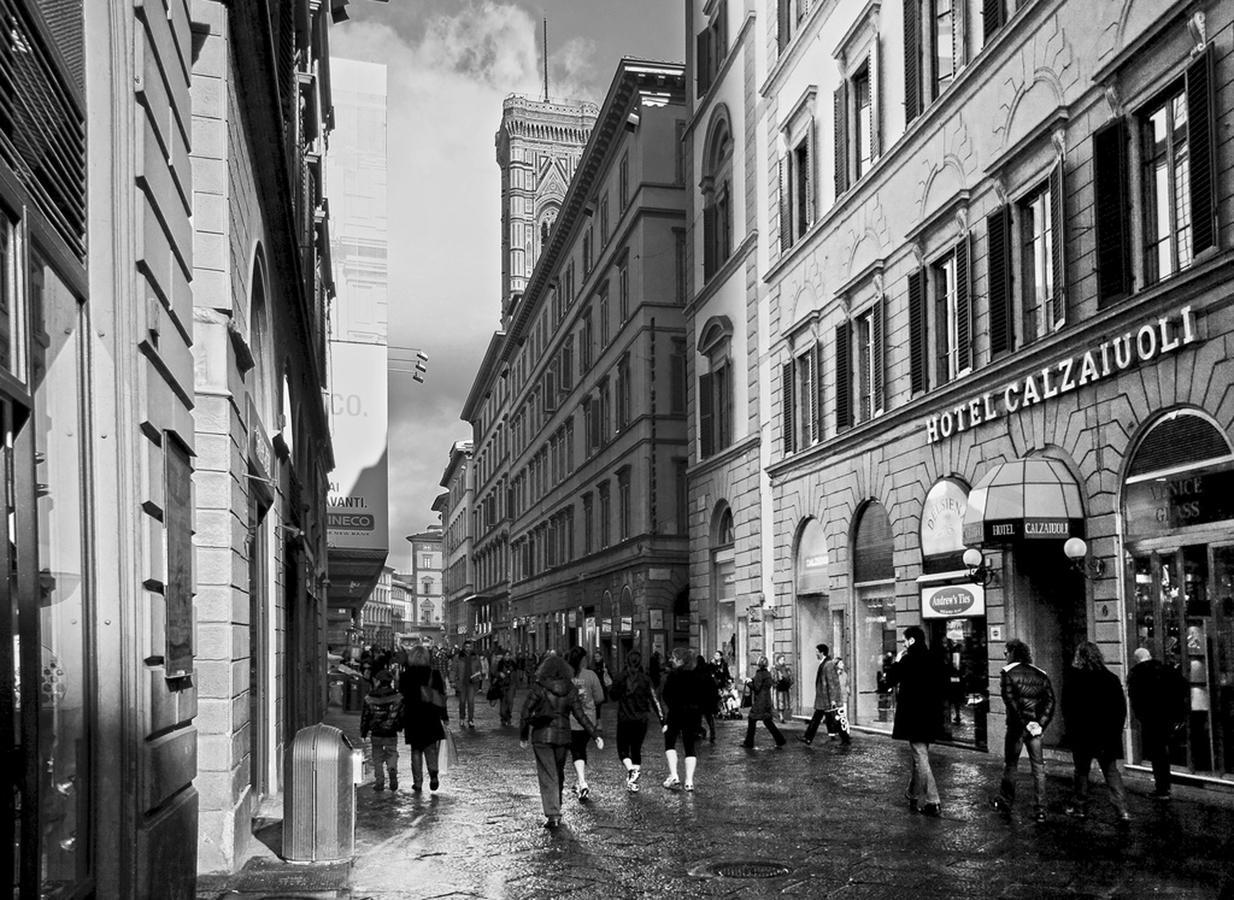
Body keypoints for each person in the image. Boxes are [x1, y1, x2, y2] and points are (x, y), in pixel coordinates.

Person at [519, 654, 603, 829]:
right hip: (563, 737)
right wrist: (595, 734)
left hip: (542, 736)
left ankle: (553, 814)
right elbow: (580, 715)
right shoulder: (570, 689)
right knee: (558, 772)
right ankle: (557, 806)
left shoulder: (539, 687)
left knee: (547, 774)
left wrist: (523, 735)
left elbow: (525, 712)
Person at [1061, 641, 1130, 822]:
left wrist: (1071, 729)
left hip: (1082, 734)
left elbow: (1066, 708)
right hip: (1107, 735)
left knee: (1081, 771)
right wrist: (1115, 730)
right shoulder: (1111, 679)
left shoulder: (1073, 679)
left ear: (1079, 657)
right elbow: (1120, 709)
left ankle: (1080, 807)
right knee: (1111, 771)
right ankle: (1122, 809)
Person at [989, 638, 1055, 822]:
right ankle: (1041, 808)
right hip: (1035, 728)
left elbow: (1011, 703)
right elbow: (1050, 701)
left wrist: (1024, 723)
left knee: (1011, 764)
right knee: (1038, 767)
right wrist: (1039, 723)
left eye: (1005, 652)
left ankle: (1005, 800)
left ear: (1011, 653)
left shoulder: (1008, 673)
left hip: (1017, 727)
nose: (1004, 656)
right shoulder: (1040, 673)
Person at [885, 626, 944, 816]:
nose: (903, 644)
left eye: (904, 640)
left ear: (911, 641)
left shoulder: (908, 659)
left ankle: (933, 801)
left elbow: (890, 680)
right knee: (919, 755)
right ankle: (912, 793)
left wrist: (897, 661)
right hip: (930, 715)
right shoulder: (934, 658)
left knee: (920, 756)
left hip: (913, 716)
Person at [1127, 646, 1186, 800]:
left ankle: (1162, 788)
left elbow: (1135, 699)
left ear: (1137, 659)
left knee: (1156, 753)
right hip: (1167, 717)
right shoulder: (1166, 669)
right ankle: (1165, 786)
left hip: (1150, 719)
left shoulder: (1136, 674)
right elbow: (1182, 687)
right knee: (1163, 752)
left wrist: (1140, 717)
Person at [608, 649, 664, 791]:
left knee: (623, 750)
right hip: (641, 720)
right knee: (636, 749)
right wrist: (662, 720)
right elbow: (654, 699)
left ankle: (631, 771)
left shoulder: (621, 677)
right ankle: (633, 779)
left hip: (625, 718)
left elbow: (613, 696)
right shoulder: (645, 679)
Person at [661, 648, 714, 791]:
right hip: (693, 715)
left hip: (676, 713)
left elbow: (666, 695)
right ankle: (689, 781)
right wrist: (700, 710)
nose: (671, 660)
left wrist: (671, 709)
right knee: (690, 746)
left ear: (680, 660)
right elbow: (708, 695)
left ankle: (674, 775)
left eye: (673, 658)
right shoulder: (699, 676)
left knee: (670, 742)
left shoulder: (673, 676)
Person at [398, 645, 449, 792]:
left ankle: (418, 782)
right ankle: (433, 775)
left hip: (413, 716)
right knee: (430, 747)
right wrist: (444, 716)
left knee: (416, 750)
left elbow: (402, 699)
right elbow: (441, 697)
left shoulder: (405, 676)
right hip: (431, 716)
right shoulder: (435, 674)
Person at [567, 647, 607, 801]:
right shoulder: (591, 675)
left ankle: (582, 782)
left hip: (571, 721)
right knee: (581, 749)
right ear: (583, 659)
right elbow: (600, 697)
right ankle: (580, 782)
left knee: (576, 751)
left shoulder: (566, 676)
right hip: (588, 721)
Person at [359, 669, 404, 792]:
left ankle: (379, 781)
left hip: (376, 733)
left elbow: (365, 716)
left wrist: (363, 732)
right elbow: (401, 715)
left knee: (377, 758)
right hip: (391, 733)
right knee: (392, 752)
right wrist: (399, 726)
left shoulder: (369, 698)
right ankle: (392, 768)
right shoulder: (398, 697)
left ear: (378, 681)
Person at [798, 644, 851, 745]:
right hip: (823, 698)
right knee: (819, 718)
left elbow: (831, 682)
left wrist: (833, 699)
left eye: (817, 651)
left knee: (835, 718)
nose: (816, 653)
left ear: (822, 653)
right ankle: (808, 738)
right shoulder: (826, 663)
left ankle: (845, 738)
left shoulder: (828, 664)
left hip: (826, 698)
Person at [742, 657, 787, 749]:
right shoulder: (767, 673)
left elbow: (756, 687)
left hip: (759, 702)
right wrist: (752, 680)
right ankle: (780, 740)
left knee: (752, 719)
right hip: (766, 700)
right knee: (767, 721)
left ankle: (749, 742)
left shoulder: (759, 674)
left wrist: (748, 683)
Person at [451, 639, 485, 728]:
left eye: (470, 647)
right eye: (466, 647)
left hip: (472, 683)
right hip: (461, 683)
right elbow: (453, 670)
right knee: (462, 702)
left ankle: (470, 720)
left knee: (471, 702)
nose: (468, 649)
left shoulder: (475, 657)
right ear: (463, 647)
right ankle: (462, 718)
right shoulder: (458, 657)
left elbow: (479, 668)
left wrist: (478, 674)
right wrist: (452, 681)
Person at [493, 651, 519, 726]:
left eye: (508, 655)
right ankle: (503, 717)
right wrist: (499, 674)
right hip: (502, 685)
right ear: (503, 656)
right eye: (506, 655)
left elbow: (516, 674)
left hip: (511, 685)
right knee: (503, 702)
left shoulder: (513, 664)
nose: (507, 657)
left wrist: (516, 684)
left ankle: (509, 717)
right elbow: (494, 673)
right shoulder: (500, 664)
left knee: (510, 701)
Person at [773, 653, 794, 723]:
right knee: (780, 701)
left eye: (784, 659)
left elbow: (791, 677)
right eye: (781, 659)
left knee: (785, 701)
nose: (783, 661)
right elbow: (773, 678)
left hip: (785, 687)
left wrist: (789, 681)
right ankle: (780, 716)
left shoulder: (787, 668)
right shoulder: (775, 669)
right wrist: (777, 680)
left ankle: (784, 715)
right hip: (779, 687)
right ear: (778, 660)